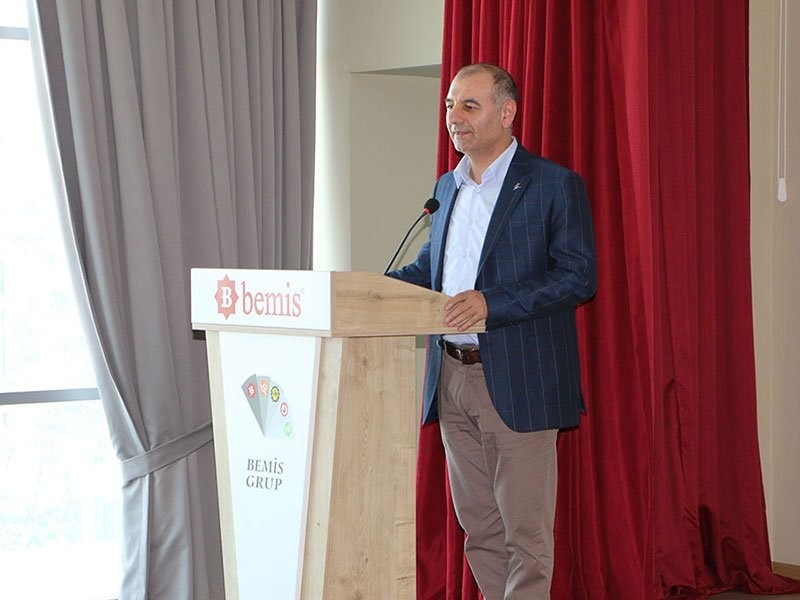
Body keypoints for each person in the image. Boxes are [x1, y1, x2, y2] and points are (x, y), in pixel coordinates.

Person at [388, 63, 597, 599]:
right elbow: (431, 271)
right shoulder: (448, 187)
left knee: (525, 534)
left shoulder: (552, 184)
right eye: (449, 106)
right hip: (451, 377)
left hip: (518, 378)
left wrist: (492, 304)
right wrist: (371, 289)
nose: (454, 117)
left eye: (469, 106)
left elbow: (578, 277)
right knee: (479, 528)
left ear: (507, 113)